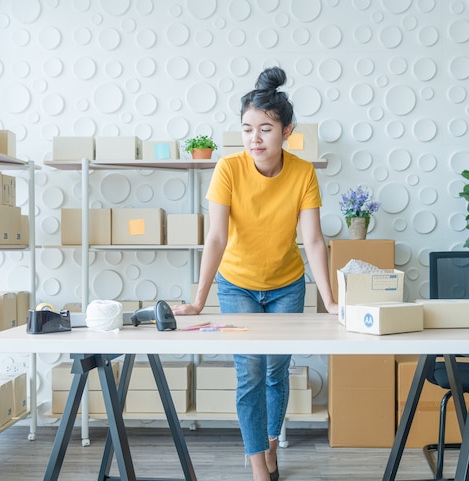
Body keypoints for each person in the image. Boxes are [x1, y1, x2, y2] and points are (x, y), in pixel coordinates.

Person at [172, 66, 338, 481]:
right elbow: (215, 239)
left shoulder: (302, 172)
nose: (255, 139)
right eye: (247, 129)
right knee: (249, 374)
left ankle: (271, 447)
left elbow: (314, 241)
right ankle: (258, 470)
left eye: (265, 129)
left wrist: (331, 300)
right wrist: (197, 300)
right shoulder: (228, 169)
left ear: (287, 131)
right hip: (237, 284)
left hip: (286, 285)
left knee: (276, 372)